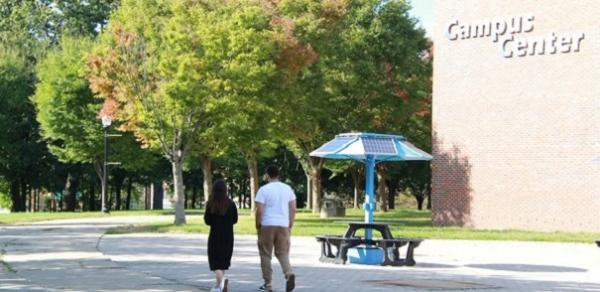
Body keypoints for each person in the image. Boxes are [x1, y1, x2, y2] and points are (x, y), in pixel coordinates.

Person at [255, 165, 296, 292]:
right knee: (282, 253)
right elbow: (293, 208)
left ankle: (268, 284)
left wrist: (257, 224)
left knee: (266, 254)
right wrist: (290, 223)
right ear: (278, 175)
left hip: (267, 224)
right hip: (283, 224)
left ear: (267, 175)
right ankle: (289, 273)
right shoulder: (287, 189)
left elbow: (260, 210)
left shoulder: (263, 190)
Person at [204, 179, 238, 292]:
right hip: (228, 237)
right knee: (223, 263)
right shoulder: (231, 204)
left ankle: (222, 281)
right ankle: (218, 287)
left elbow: (207, 221)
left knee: (214, 263)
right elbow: (235, 220)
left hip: (215, 236)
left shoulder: (211, 203)